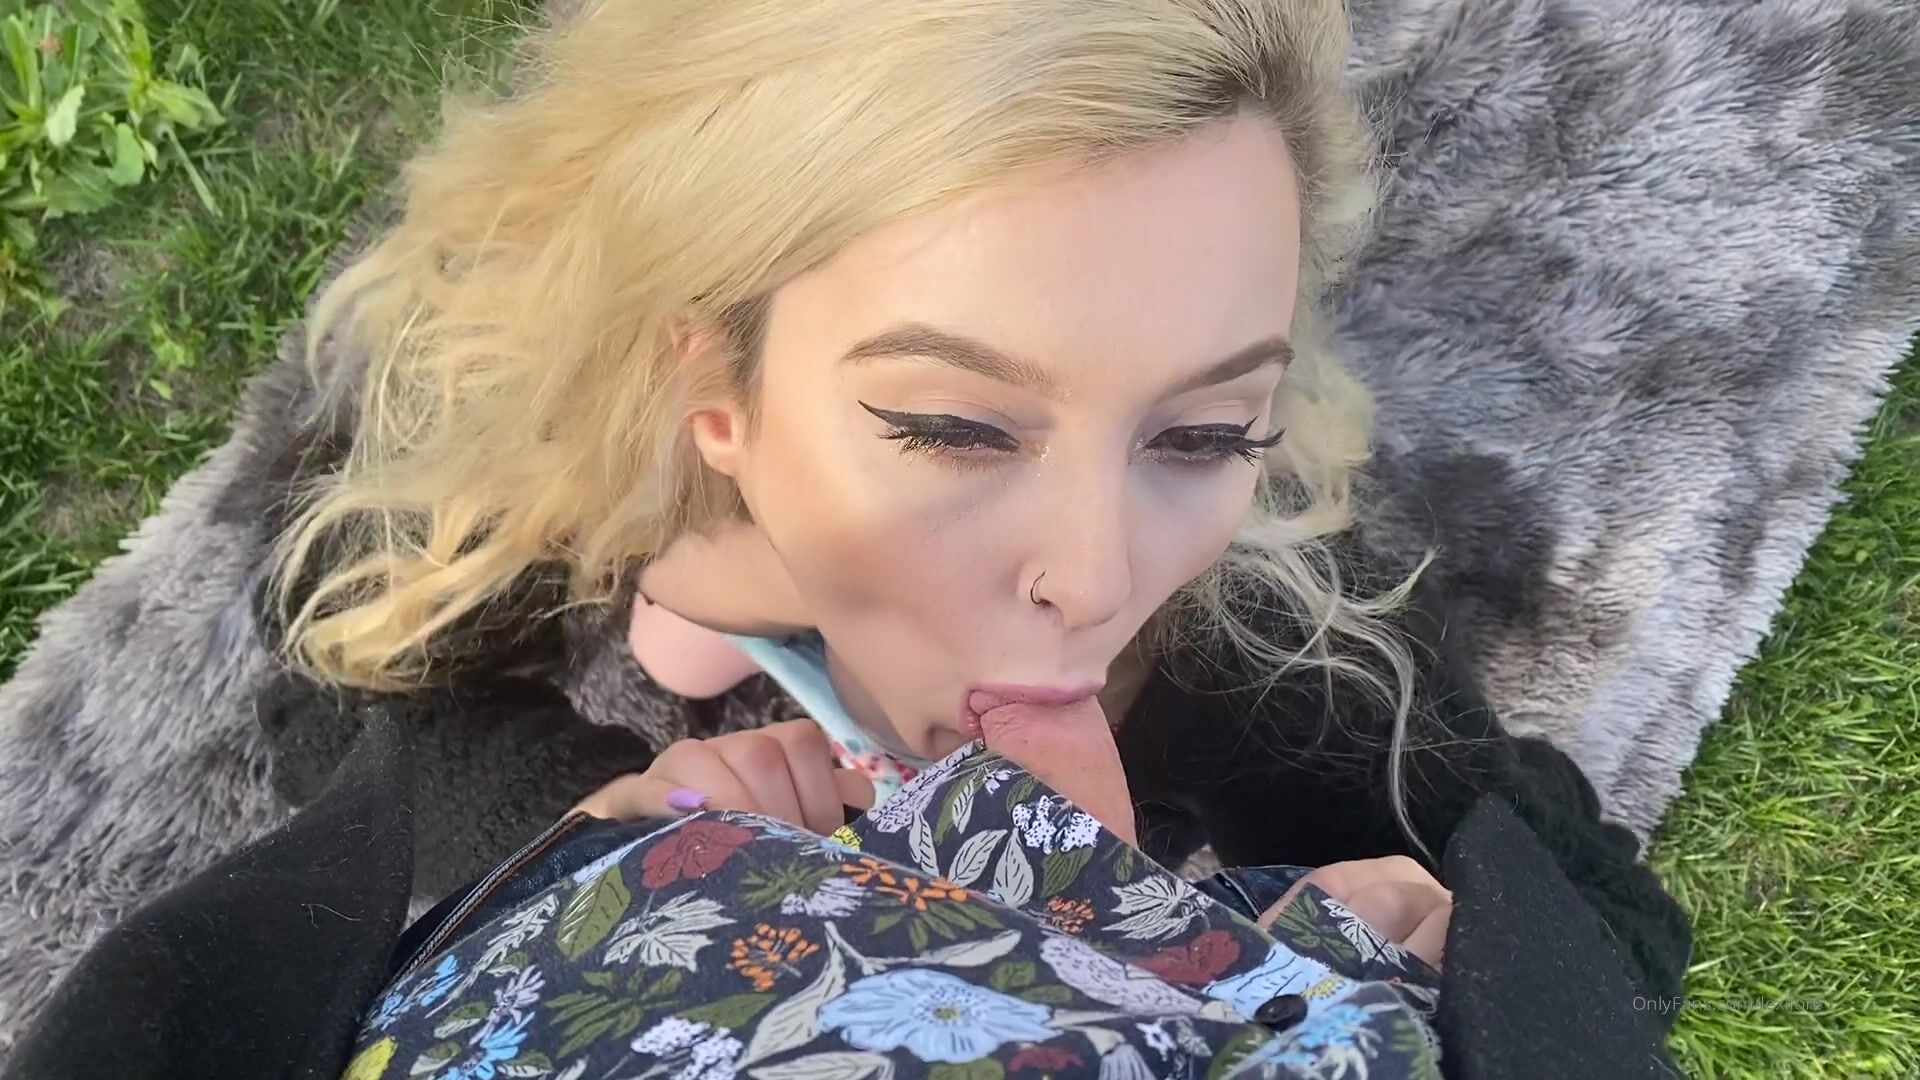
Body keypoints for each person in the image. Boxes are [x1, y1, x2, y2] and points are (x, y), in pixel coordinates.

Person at [4, 0, 1692, 1075]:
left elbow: (1596, 904)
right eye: (953, 427)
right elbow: (344, 639)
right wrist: (599, 843)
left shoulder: (1266, 651)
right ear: (712, 387)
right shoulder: (522, 436)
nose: (1098, 578)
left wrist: (1447, 958)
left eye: (1201, 432)